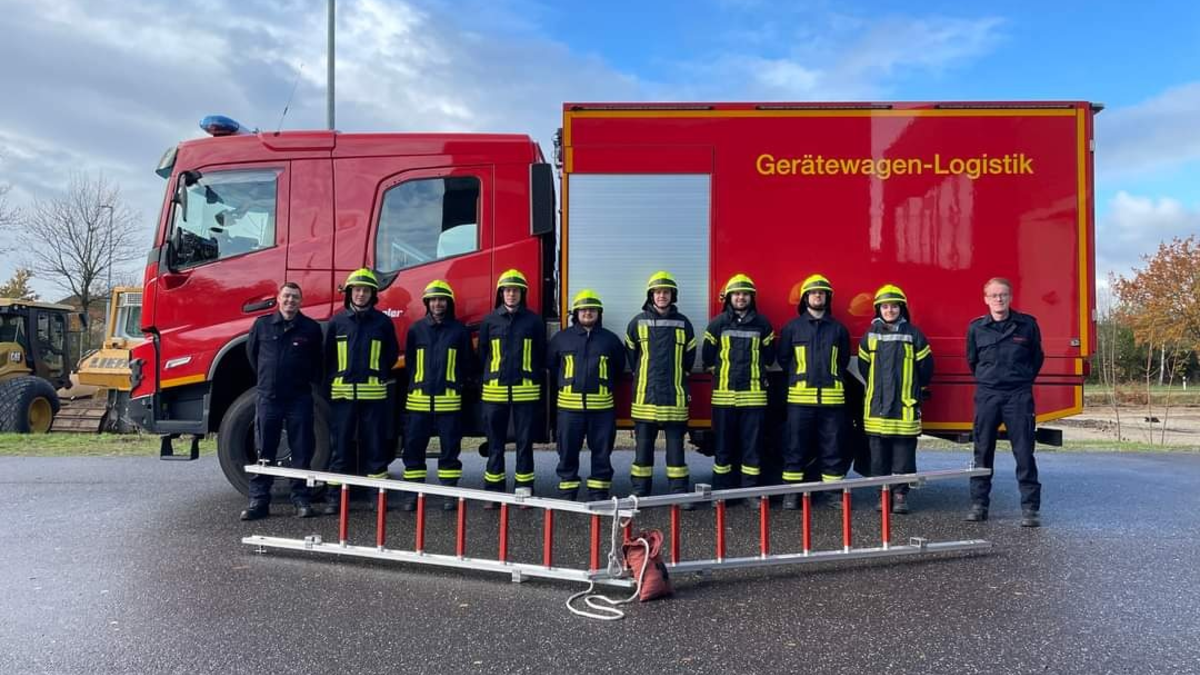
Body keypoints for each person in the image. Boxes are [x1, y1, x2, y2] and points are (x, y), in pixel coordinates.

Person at [319, 268, 400, 516]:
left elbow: (391, 355)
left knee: (375, 447)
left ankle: (376, 496)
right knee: (340, 447)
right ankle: (335, 498)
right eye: (356, 290)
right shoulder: (337, 322)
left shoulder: (383, 322)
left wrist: (376, 375)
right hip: (343, 396)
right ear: (350, 293)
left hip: (373, 396)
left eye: (365, 290)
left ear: (372, 294)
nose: (361, 294)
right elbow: (327, 357)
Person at [240, 282, 324, 521]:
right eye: (286, 296)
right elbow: (253, 355)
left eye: (295, 297)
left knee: (301, 451)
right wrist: (268, 379)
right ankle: (259, 501)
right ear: (278, 299)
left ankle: (301, 499)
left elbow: (318, 362)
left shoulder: (311, 328)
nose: (290, 301)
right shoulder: (262, 325)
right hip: (269, 397)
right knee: (265, 449)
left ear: (301, 301)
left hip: (299, 398)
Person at [966, 277, 1044, 527]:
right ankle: (979, 505)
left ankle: (1030, 509)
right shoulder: (976, 328)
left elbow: (1037, 358)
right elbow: (972, 360)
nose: (999, 299)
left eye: (1003, 295)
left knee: (1024, 452)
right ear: (986, 299)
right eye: (994, 295)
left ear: (1010, 297)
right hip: (988, 395)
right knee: (982, 451)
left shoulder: (1027, 325)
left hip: (1017, 395)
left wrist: (1021, 379)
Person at [857, 284, 934, 514]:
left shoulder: (914, 334)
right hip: (878, 407)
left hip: (904, 406)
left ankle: (900, 495)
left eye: (894, 306)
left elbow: (926, 368)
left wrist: (913, 389)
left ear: (901, 308)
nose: (889, 310)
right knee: (878, 456)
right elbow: (864, 368)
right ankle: (882, 495)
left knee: (904, 455)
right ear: (878, 309)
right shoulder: (870, 336)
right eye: (885, 307)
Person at [777, 274, 851, 510]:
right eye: (813, 293)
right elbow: (784, 359)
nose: (817, 296)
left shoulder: (838, 329)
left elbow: (843, 361)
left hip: (831, 401)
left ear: (827, 298)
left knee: (833, 448)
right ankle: (791, 494)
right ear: (805, 298)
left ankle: (833, 494)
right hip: (800, 401)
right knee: (794, 448)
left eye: (821, 293)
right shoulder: (792, 328)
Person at [401, 280, 475, 511]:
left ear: (448, 303)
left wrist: (457, 384)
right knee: (413, 448)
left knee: (450, 449)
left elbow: (467, 363)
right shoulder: (416, 330)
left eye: (441, 300)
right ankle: (413, 494)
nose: (437, 304)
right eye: (433, 300)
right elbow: (410, 363)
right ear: (427, 303)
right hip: (419, 401)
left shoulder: (459, 331)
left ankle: (448, 493)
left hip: (449, 401)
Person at [546, 290, 626, 501]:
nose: (587, 313)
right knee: (567, 452)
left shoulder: (610, 340)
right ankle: (568, 491)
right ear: (576, 313)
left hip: (601, 410)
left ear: (599, 313)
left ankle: (598, 492)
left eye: (592, 309)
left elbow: (618, 368)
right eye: (583, 309)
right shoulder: (561, 338)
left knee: (602, 452)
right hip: (569, 410)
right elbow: (552, 367)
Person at [701, 274, 776, 501]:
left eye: (745, 294)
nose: (741, 298)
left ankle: (750, 493)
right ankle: (723, 494)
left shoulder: (763, 324)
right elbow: (707, 356)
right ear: (729, 298)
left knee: (752, 448)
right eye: (736, 294)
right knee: (723, 448)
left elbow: (769, 358)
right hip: (724, 398)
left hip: (753, 398)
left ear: (751, 298)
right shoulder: (718, 323)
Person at [626, 271, 697, 502]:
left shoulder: (683, 323)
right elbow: (632, 355)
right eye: (657, 292)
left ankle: (678, 491)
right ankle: (640, 491)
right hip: (645, 397)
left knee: (676, 451)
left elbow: (689, 356)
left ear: (672, 295)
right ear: (651, 295)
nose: (661, 296)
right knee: (642, 451)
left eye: (666, 292)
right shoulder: (637, 322)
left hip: (674, 397)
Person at [478, 269, 545, 505]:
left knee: (524, 443)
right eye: (507, 290)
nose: (511, 294)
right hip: (494, 393)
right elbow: (483, 354)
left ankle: (523, 489)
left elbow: (540, 353)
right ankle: (493, 491)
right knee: (495, 444)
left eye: (515, 290)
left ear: (522, 293)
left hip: (525, 393)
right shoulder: (489, 321)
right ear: (501, 293)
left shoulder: (534, 321)